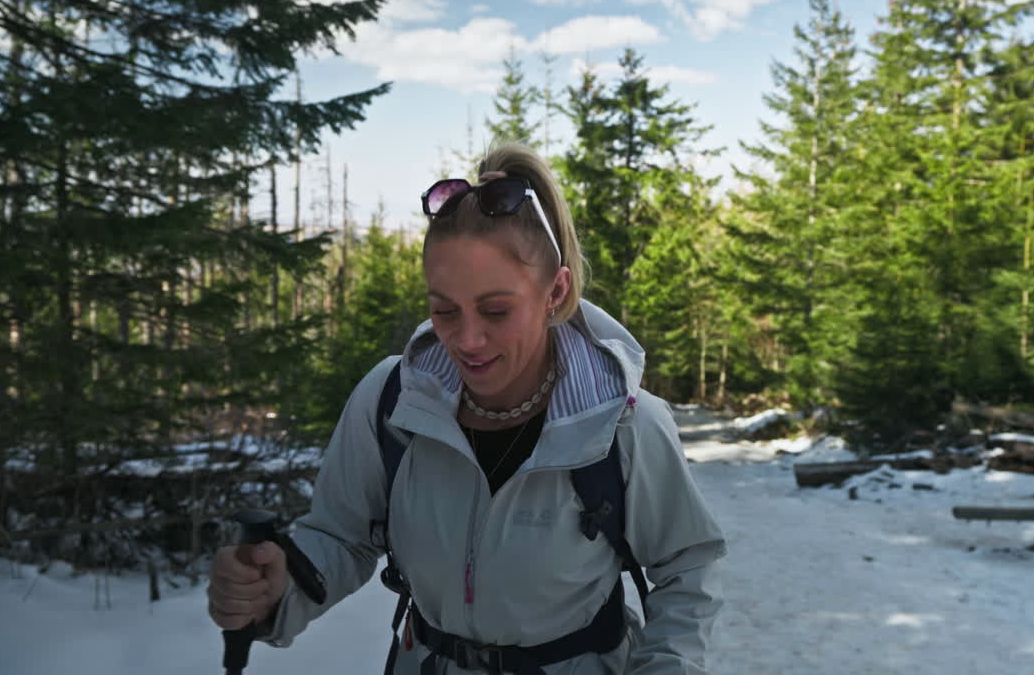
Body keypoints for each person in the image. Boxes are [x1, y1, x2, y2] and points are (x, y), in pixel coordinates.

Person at [206, 142, 727, 673]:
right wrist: (281, 586)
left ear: (555, 290)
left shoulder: (622, 419)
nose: (468, 339)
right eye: (444, 311)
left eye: (496, 310)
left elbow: (686, 566)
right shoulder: (391, 402)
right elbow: (340, 536)